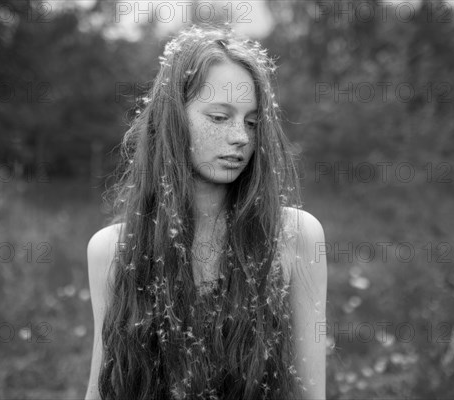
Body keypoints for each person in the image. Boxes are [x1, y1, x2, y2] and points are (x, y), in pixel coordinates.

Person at [85, 24, 327, 400]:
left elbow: (309, 394)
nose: (241, 138)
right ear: (172, 119)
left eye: (251, 122)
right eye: (219, 118)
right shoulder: (112, 249)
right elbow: (103, 387)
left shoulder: (295, 235)